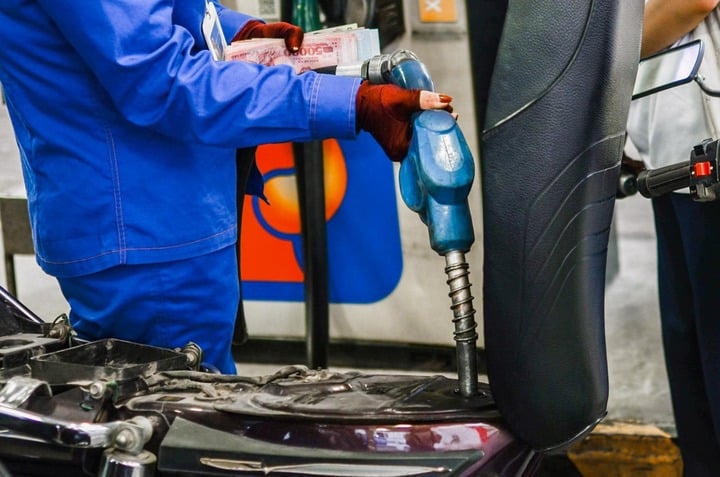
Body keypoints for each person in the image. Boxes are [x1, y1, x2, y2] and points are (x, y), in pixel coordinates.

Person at [0, 1, 453, 374]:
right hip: (144, 232)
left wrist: (237, 32)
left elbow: (155, 15)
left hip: (161, 221)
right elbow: (162, 79)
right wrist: (349, 102)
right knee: (171, 425)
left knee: (200, 404)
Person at [625, 0, 720, 474]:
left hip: (706, 151)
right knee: (691, 348)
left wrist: (607, 48)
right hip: (677, 157)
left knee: (706, 349)